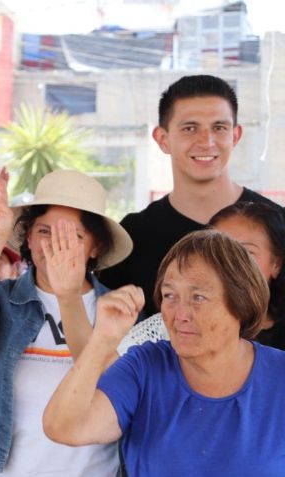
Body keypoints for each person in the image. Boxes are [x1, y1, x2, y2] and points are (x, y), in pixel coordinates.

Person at [0, 168, 133, 476]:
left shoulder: (118, 312)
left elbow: (121, 394)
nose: (54, 245)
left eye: (73, 236)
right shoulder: (3, 300)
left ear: (95, 246)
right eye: (44, 231)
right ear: (28, 236)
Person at [44, 230, 285, 476]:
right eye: (170, 295)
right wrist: (102, 340)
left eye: (198, 297)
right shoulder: (144, 368)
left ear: (241, 304)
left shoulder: (279, 376)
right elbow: (63, 427)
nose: (179, 314)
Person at [99, 75, 282, 316]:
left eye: (219, 128)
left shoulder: (278, 227)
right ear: (162, 139)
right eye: (190, 128)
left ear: (235, 136)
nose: (206, 141)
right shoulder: (132, 236)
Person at [119, 201, 285, 352]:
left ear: (276, 264)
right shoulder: (167, 328)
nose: (228, 266)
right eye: (214, 253)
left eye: (246, 253)